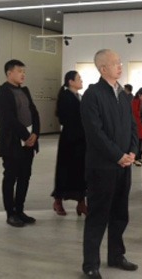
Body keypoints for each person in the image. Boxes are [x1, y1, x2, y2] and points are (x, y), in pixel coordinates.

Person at [80, 49, 139, 279]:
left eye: (120, 62)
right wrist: (117, 155)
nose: (120, 66)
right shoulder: (92, 95)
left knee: (120, 214)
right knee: (98, 216)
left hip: (124, 165)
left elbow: (132, 126)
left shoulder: (123, 94)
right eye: (115, 63)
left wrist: (132, 151)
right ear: (103, 68)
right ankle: (90, 264)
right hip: (102, 167)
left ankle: (116, 255)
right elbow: (95, 132)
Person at [0, 59, 40, 228]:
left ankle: (19, 210)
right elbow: (7, 119)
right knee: (10, 177)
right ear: (9, 73)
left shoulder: (24, 91)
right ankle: (10, 213)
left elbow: (34, 113)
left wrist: (35, 133)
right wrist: (26, 135)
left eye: (24, 71)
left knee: (24, 177)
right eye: (20, 71)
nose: (23, 74)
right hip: (12, 144)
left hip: (28, 143)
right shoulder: (2, 93)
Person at [52, 70, 87, 217]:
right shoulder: (65, 97)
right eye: (79, 78)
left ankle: (81, 202)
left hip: (81, 139)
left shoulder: (80, 96)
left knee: (81, 170)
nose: (81, 81)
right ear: (71, 82)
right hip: (70, 139)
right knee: (65, 169)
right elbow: (65, 118)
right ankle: (58, 200)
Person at [131, 87, 142, 166]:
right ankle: (135, 158)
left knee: (141, 142)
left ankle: (140, 157)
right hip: (137, 123)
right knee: (137, 142)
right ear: (139, 94)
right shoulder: (135, 100)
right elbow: (135, 111)